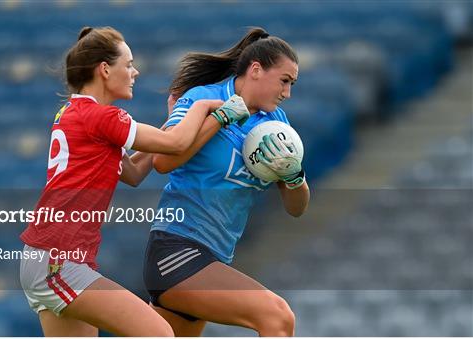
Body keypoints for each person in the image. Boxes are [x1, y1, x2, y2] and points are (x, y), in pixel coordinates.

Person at [19, 26, 250, 337]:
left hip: (52, 261)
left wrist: (174, 120)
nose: (135, 72)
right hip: (59, 263)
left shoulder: (76, 112)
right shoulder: (104, 117)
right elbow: (178, 145)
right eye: (127, 64)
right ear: (104, 69)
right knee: (160, 333)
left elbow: (134, 172)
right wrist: (207, 107)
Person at [144, 27, 310, 336]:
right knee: (277, 317)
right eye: (284, 81)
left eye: (292, 84)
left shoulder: (277, 125)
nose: (287, 93)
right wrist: (218, 119)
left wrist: (294, 176)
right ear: (256, 70)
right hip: (177, 249)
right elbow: (162, 161)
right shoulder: (204, 98)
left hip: (214, 257)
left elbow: (297, 208)